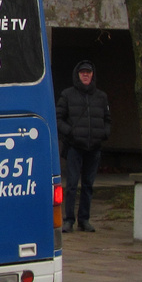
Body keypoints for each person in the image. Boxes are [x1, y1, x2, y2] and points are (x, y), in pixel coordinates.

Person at [56, 60, 111, 233]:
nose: (85, 75)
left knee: (88, 185)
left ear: (93, 75)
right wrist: (70, 132)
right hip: (74, 147)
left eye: (88, 72)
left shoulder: (101, 97)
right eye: (82, 72)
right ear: (77, 75)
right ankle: (69, 220)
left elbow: (107, 119)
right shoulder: (67, 95)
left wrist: (104, 133)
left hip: (94, 148)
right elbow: (58, 118)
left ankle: (84, 219)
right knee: (72, 184)